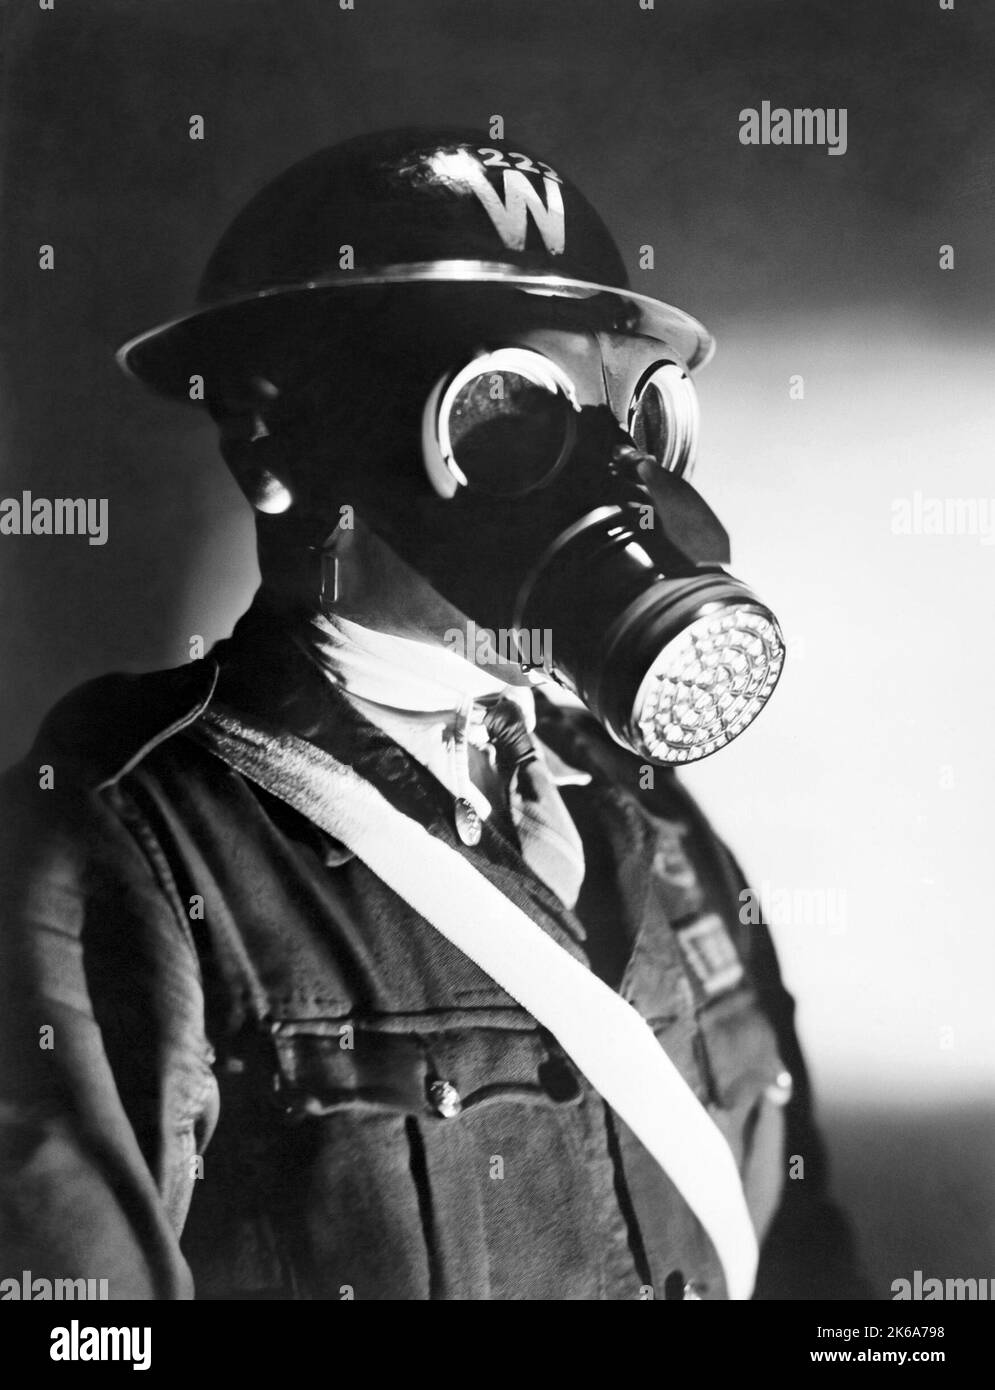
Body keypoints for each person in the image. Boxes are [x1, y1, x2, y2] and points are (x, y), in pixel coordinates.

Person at [0, 128, 868, 1300]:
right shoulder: (129, 845)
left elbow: (813, 1272)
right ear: (269, 443)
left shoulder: (657, 829)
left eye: (637, 420)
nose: (614, 483)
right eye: (509, 414)